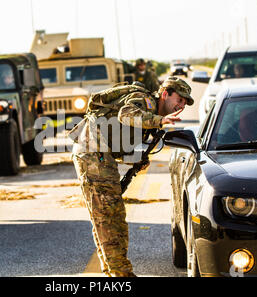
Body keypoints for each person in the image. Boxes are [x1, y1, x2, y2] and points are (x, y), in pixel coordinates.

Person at [70, 76, 194, 277]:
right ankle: (121, 274)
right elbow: (125, 115)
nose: (180, 106)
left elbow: (121, 137)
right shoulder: (144, 101)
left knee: (105, 215)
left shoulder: (151, 113)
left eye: (184, 103)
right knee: (110, 215)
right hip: (92, 149)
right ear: (165, 94)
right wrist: (159, 120)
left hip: (99, 151)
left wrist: (135, 159)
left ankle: (113, 272)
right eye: (178, 99)